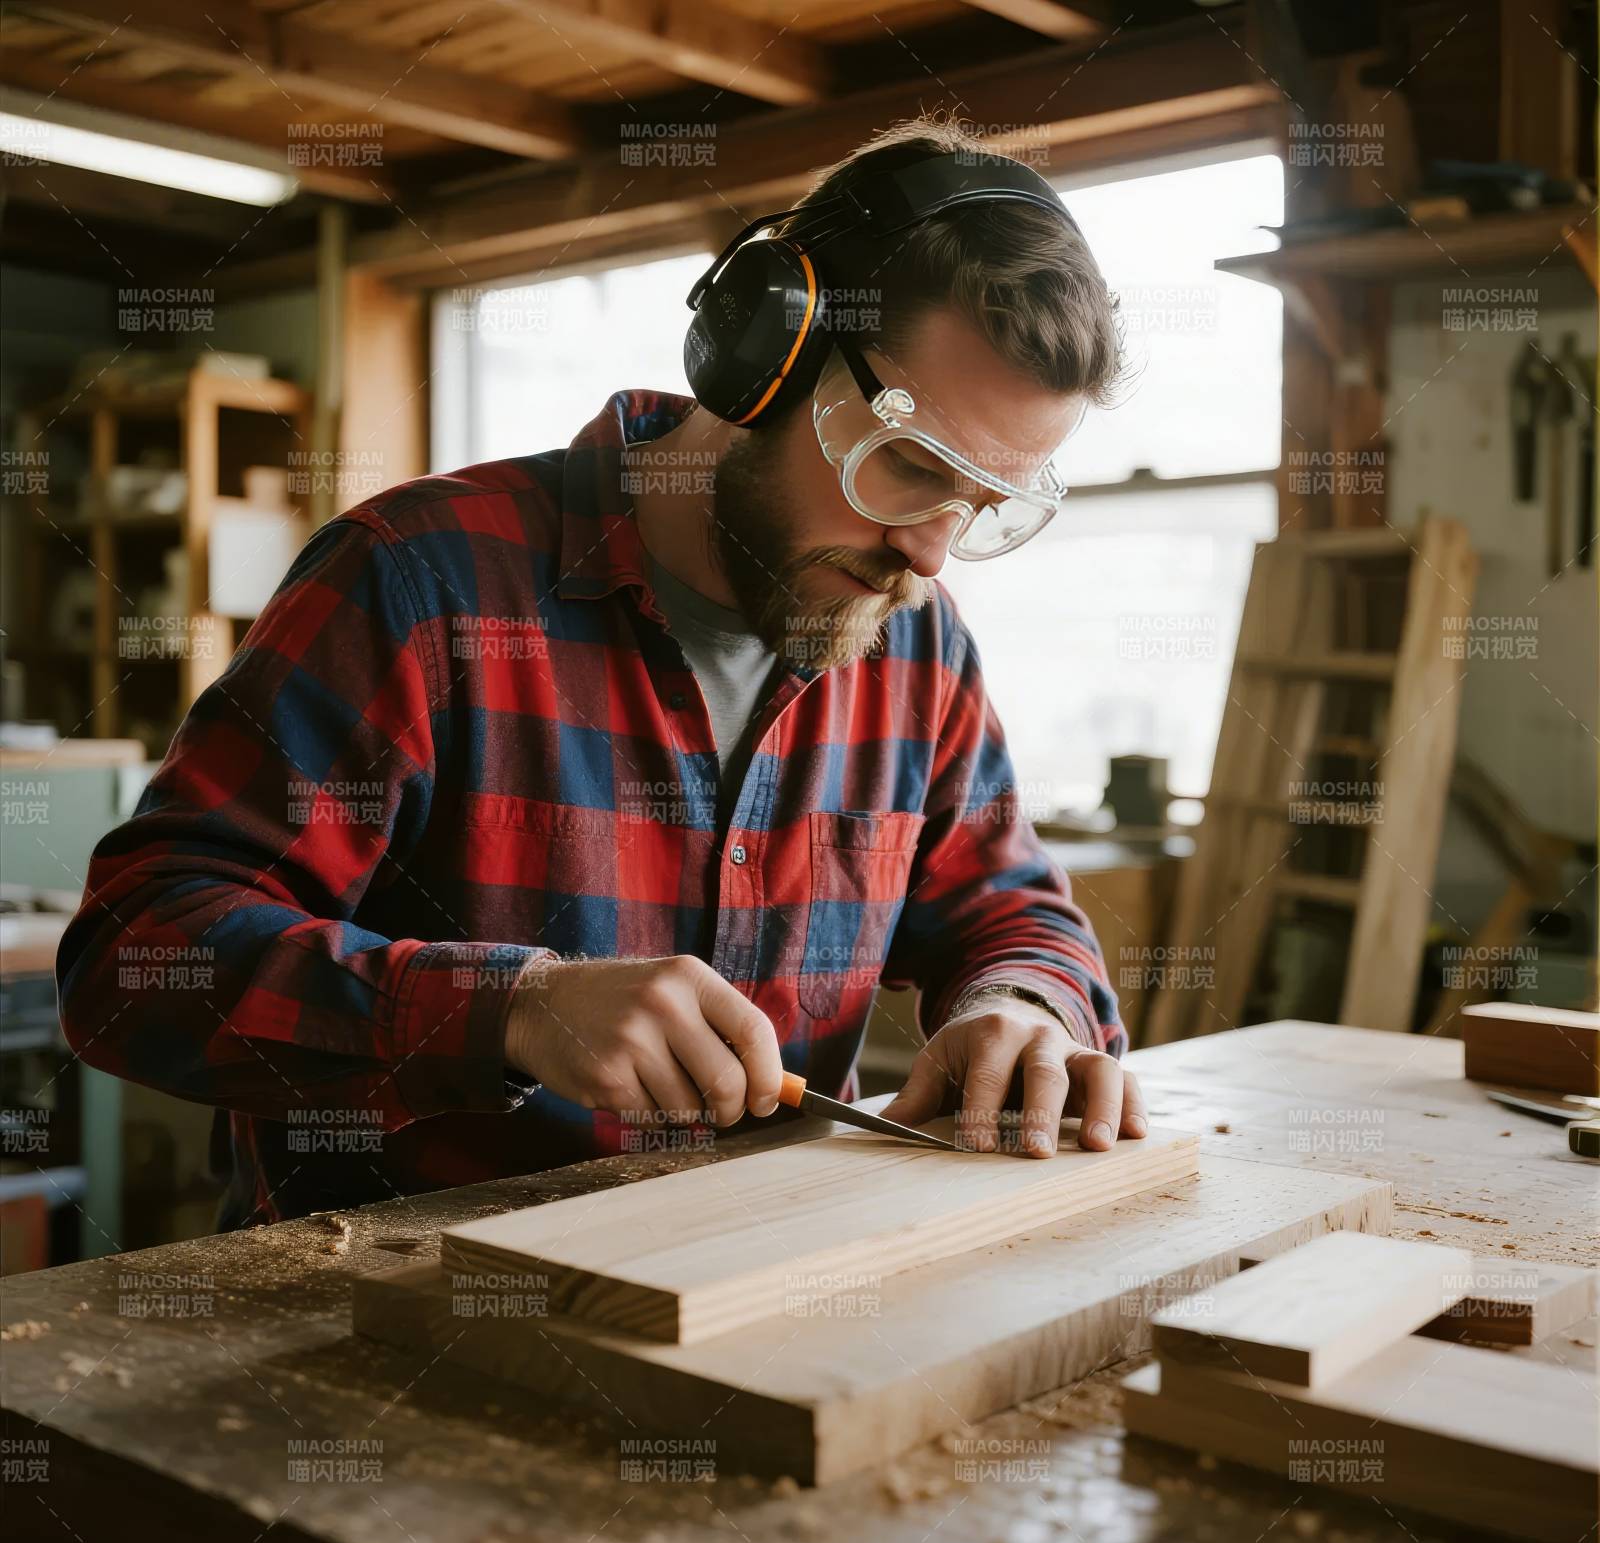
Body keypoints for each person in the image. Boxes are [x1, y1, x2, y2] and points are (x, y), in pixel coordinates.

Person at [56, 116, 1144, 1230]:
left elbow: (1012, 909)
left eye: (984, 506)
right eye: (908, 466)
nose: (930, 549)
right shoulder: (420, 583)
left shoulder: (916, 640)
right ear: (759, 360)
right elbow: (133, 958)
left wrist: (1023, 1010)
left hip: (758, 1292)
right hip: (396, 1314)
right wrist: (510, 1010)